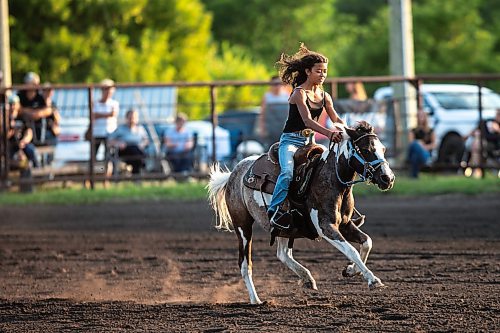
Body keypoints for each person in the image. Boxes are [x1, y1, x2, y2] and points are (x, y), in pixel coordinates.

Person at [267, 43, 344, 230]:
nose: (323, 75)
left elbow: (335, 118)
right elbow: (308, 121)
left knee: (333, 170)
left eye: (325, 71)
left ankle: (345, 213)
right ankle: (274, 211)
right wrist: (329, 133)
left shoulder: (325, 96)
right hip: (291, 142)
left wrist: (348, 131)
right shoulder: (298, 93)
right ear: (308, 71)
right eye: (319, 71)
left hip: (310, 142)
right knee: (287, 173)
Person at [17, 72, 58, 150]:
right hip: (25, 128)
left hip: (41, 129)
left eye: (36, 84)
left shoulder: (40, 96)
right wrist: (33, 113)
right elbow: (18, 109)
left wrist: (35, 113)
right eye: (33, 83)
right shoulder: (20, 95)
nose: (36, 86)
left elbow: (48, 110)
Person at [107, 109, 149, 175]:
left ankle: (136, 174)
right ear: (126, 118)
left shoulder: (141, 129)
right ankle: (140, 170)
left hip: (138, 149)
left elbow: (146, 140)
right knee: (135, 152)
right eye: (130, 118)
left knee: (136, 151)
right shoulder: (120, 129)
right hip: (124, 150)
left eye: (134, 118)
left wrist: (142, 145)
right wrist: (118, 143)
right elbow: (110, 141)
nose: (132, 120)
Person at [463, 109, 500, 178]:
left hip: (495, 146)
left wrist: (498, 130)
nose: (498, 116)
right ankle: (476, 168)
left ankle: (476, 168)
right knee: (477, 138)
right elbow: (476, 130)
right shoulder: (488, 122)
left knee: (478, 145)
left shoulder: (497, 126)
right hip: (483, 144)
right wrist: (467, 136)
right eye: (497, 114)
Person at [6, 95, 38, 169]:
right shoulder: (4, 118)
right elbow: (4, 135)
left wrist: (24, 141)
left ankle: (38, 171)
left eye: (14, 104)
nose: (12, 106)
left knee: (32, 150)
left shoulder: (23, 117)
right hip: (10, 145)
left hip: (23, 144)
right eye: (10, 104)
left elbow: (29, 132)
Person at [258, 76, 290, 148]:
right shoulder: (267, 97)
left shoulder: (286, 96)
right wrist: (262, 128)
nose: (278, 86)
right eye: (275, 84)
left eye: (279, 84)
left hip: (284, 128)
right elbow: (262, 114)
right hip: (271, 129)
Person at [91, 78, 119, 159]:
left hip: (110, 133)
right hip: (97, 133)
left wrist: (99, 115)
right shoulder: (96, 103)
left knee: (109, 155)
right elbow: (93, 115)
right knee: (94, 155)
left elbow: (113, 114)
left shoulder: (114, 103)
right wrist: (107, 114)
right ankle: (97, 170)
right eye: (105, 89)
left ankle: (106, 171)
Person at [407, 111, 436, 178]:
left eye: (422, 116)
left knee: (415, 154)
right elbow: (411, 143)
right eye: (419, 116)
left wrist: (423, 147)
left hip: (425, 153)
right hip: (414, 152)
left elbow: (434, 144)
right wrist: (418, 143)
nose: (420, 118)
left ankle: (414, 176)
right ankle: (415, 175)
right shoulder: (413, 130)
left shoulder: (430, 131)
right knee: (415, 147)